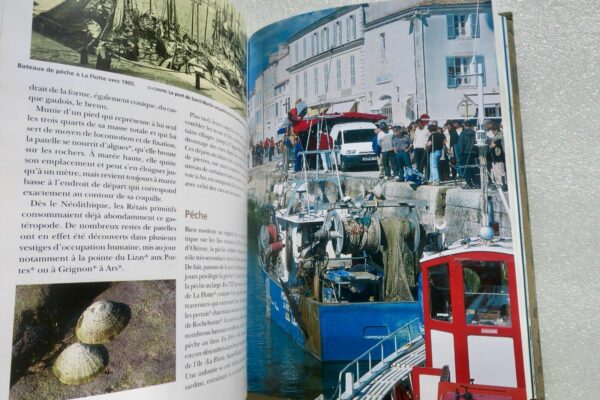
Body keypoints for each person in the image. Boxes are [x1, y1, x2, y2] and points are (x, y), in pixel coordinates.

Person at [458, 120, 479, 188]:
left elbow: (461, 144)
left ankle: (469, 183)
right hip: (474, 153)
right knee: (473, 168)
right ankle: (476, 182)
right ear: (471, 126)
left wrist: (460, 154)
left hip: (465, 153)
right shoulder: (475, 133)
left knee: (466, 169)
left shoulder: (463, 133)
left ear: (464, 125)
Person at [489, 124, 507, 190]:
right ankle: (498, 184)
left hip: (499, 158)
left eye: (492, 131)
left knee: (501, 171)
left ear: (496, 130)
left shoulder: (499, 137)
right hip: (495, 158)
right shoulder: (496, 137)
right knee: (495, 172)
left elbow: (492, 146)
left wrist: (490, 145)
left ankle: (504, 184)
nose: (492, 133)